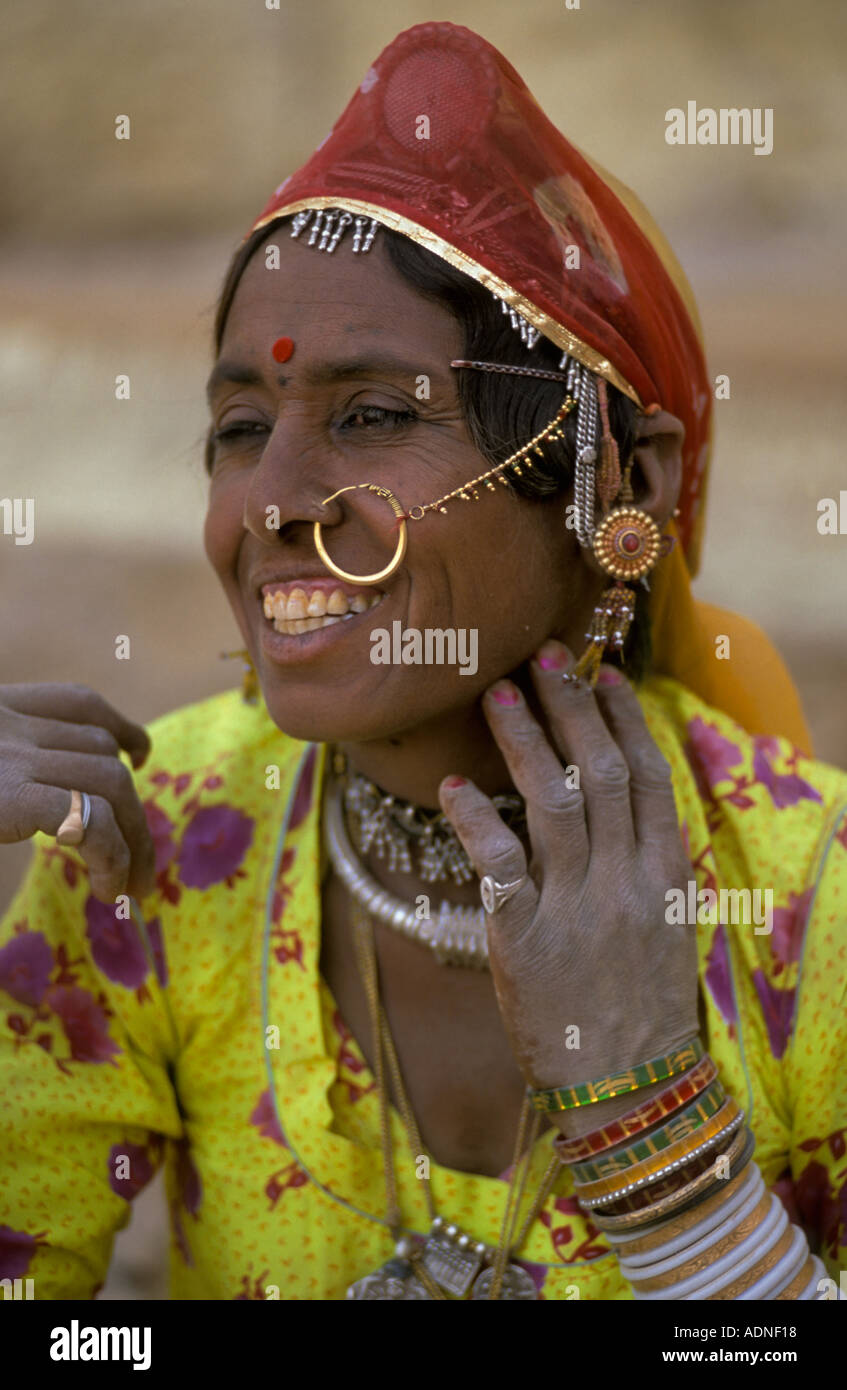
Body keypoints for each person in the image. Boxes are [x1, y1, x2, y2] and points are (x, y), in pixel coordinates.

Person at [1, 22, 845, 1302]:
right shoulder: (153, 845)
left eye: (375, 415)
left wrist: (661, 1137)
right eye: (237, 428)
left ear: (623, 477)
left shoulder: (808, 908)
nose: (269, 503)